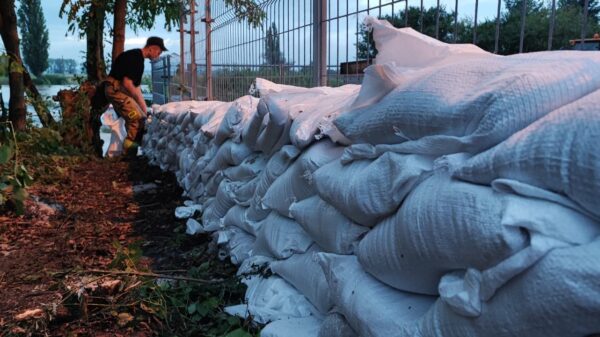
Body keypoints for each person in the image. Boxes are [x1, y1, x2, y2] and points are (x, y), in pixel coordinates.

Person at [104, 36, 167, 155]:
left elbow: (135, 87)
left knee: (141, 118)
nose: (158, 55)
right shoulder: (136, 59)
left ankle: (129, 153)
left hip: (117, 90)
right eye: (158, 52)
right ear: (152, 48)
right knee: (137, 120)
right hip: (116, 91)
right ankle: (128, 155)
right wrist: (140, 105)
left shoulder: (135, 56)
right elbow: (128, 84)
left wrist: (143, 108)